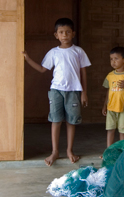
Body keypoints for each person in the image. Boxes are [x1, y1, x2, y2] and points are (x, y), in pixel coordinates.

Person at [22, 18, 91, 166]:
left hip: (74, 91)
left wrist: (84, 92)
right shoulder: (53, 52)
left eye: (67, 32)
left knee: (71, 121)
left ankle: (69, 150)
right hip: (56, 91)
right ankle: (55, 151)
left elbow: (83, 73)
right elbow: (42, 69)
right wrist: (28, 59)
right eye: (61, 32)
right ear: (56, 35)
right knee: (56, 120)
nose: (64, 35)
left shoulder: (78, 51)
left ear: (73, 33)